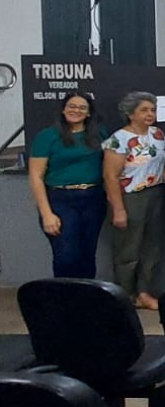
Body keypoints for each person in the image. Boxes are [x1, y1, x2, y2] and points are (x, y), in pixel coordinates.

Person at [28, 92, 107, 278]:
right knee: (66, 255)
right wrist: (46, 214)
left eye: (82, 107)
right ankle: (63, 302)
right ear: (63, 109)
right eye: (71, 106)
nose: (76, 110)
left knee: (87, 255)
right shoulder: (47, 136)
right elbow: (36, 176)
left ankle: (86, 300)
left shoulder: (100, 134)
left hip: (93, 198)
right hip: (60, 200)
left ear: (88, 113)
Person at [103, 91, 165, 310]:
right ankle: (125, 294)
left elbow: (164, 160)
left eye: (152, 109)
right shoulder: (118, 139)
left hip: (156, 194)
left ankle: (144, 292)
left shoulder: (158, 134)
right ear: (131, 114)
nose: (150, 114)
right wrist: (118, 209)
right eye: (144, 110)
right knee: (128, 249)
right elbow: (110, 176)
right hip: (130, 197)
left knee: (152, 246)